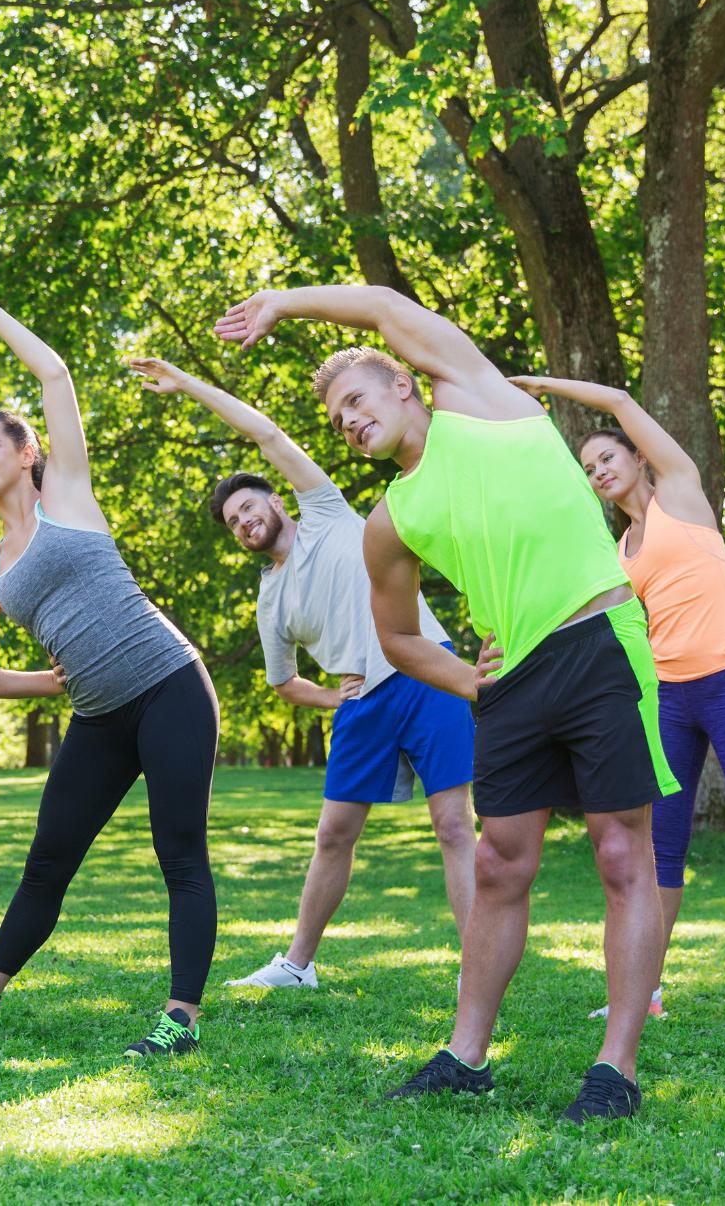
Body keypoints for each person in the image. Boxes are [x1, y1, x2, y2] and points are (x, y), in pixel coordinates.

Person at [215, 285, 680, 1122]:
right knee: (498, 865)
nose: (349, 422)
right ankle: (466, 1056)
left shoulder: (476, 398)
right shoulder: (389, 521)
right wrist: (471, 681)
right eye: (336, 422)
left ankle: (616, 1067)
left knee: (621, 854)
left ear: (403, 383)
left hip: (602, 641)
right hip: (512, 683)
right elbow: (396, 639)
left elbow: (383, 304)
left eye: (355, 399)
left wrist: (281, 303)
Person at [0, 287, 220, 1062]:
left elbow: (55, 377)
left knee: (179, 853)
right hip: (98, 717)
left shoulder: (69, 499)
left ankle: (179, 1019)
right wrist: (44, 684)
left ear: (27, 454)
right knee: (49, 857)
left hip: (169, 687)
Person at [510, 374, 725, 1036]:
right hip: (667, 701)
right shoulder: (618, 552)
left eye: (606, 457)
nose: (598, 470)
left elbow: (623, 403)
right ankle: (647, 991)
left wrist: (538, 388)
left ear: (638, 457)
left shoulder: (683, 496)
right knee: (657, 853)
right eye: (588, 468)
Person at [128, 356, 476, 989]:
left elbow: (265, 434)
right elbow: (282, 682)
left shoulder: (324, 511)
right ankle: (298, 965)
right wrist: (329, 699)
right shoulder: (271, 603)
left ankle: (480, 961)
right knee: (333, 834)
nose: (243, 522)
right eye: (233, 523)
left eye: (247, 507)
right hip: (363, 704)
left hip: (427, 669)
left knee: (453, 823)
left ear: (274, 500)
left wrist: (188, 385)